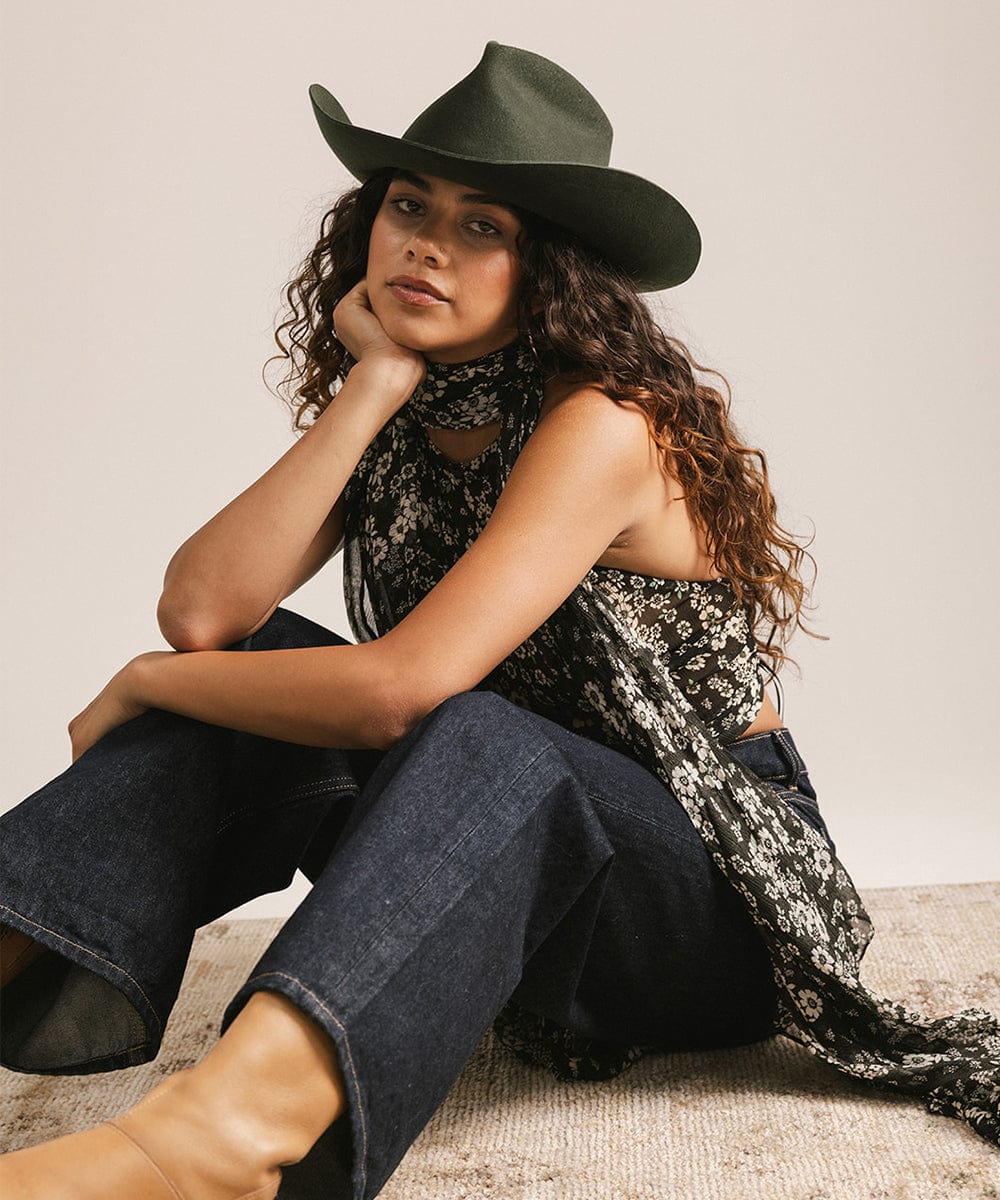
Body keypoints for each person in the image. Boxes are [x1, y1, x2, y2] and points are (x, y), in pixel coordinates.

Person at [1, 39, 997, 1200]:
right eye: (408, 205)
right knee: (262, 670)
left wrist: (141, 681)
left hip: (705, 910)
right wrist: (370, 387)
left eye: (484, 225)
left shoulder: (602, 424)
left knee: (482, 731)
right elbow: (204, 612)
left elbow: (395, 692)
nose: (426, 241)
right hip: (483, 864)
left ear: (550, 270)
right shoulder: (412, 403)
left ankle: (214, 1146)